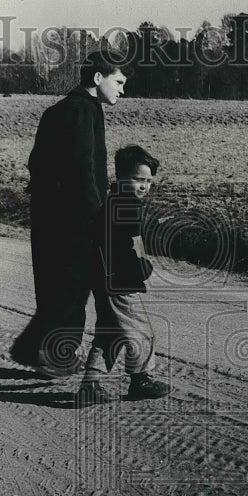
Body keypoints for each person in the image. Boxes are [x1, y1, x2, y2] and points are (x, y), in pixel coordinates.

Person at [10, 50, 126, 377]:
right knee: (74, 290)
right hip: (76, 220)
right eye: (118, 81)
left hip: (51, 216)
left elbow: (38, 164)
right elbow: (83, 172)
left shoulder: (61, 109)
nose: (122, 90)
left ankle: (37, 349)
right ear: (98, 78)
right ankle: (53, 354)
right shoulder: (84, 111)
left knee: (58, 288)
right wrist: (100, 216)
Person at [75, 144, 171, 407]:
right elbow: (125, 248)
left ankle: (90, 384)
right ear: (121, 178)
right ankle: (140, 380)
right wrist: (142, 268)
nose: (144, 186)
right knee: (141, 332)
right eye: (138, 180)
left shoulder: (114, 202)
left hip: (105, 279)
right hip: (119, 281)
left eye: (149, 181)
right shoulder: (125, 207)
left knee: (110, 332)